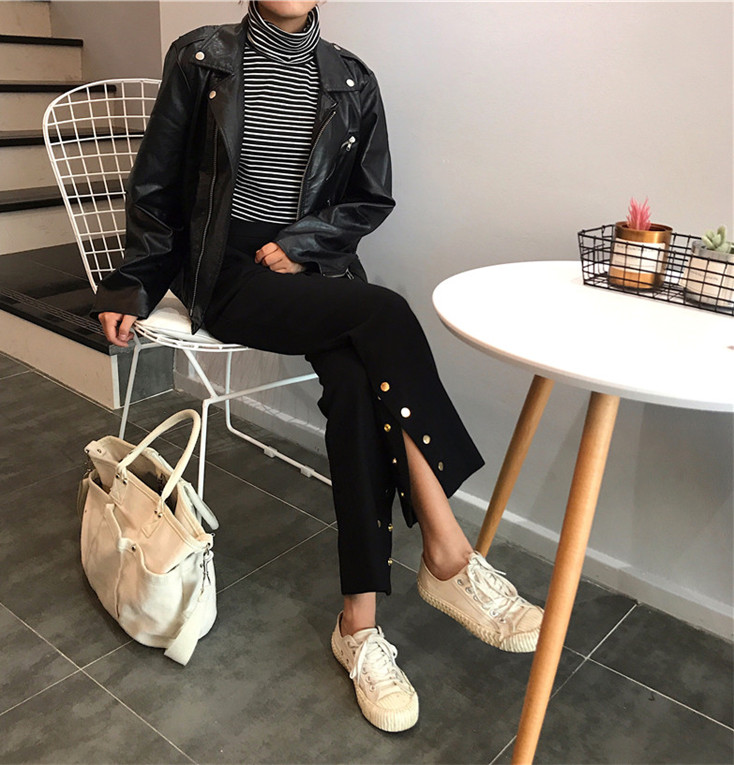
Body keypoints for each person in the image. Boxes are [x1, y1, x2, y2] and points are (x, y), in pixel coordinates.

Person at [93, 0, 543, 733]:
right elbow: (157, 185)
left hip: (312, 270)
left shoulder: (353, 80)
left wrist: (305, 244)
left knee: (360, 382)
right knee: (386, 313)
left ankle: (358, 628)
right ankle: (448, 550)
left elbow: (368, 197)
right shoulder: (201, 57)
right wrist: (133, 281)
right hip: (228, 274)